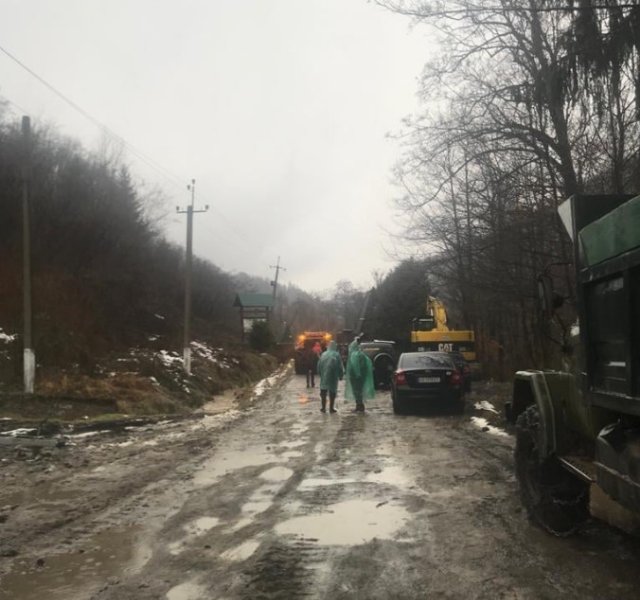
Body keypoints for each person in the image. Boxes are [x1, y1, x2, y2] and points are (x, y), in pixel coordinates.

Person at [344, 339, 375, 412]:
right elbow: (368, 363)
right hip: (362, 376)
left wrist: (357, 374)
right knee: (360, 391)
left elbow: (355, 365)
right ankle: (360, 406)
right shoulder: (362, 354)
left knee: (356, 391)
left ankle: (359, 406)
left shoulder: (354, 355)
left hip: (355, 377)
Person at [317, 340, 344, 413]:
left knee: (323, 391)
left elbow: (319, 364)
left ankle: (323, 408)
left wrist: (320, 373)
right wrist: (341, 375)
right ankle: (331, 408)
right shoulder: (336, 355)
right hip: (333, 375)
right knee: (332, 391)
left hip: (324, 375)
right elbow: (340, 366)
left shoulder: (323, 354)